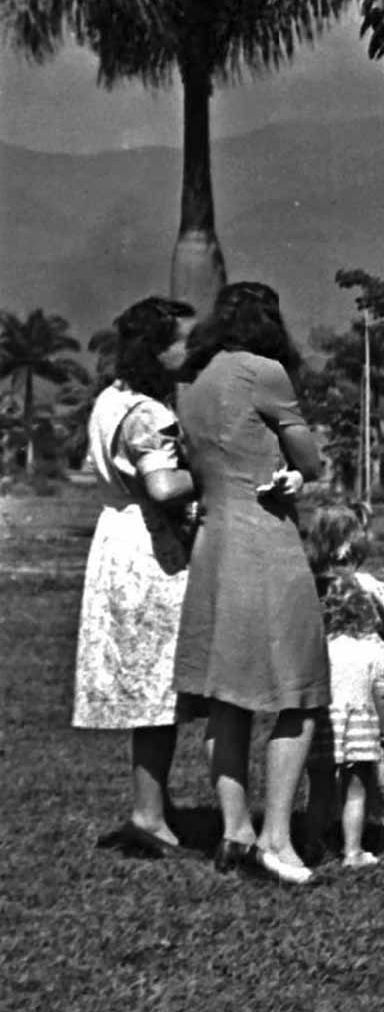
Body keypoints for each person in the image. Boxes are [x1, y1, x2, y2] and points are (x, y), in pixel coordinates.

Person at [173, 281, 327, 886]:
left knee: (226, 696)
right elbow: (309, 460)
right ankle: (277, 839)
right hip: (265, 540)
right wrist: (296, 470)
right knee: (299, 691)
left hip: (213, 545)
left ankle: (235, 828)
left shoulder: (192, 382)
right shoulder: (265, 372)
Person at [71, 295, 200, 856]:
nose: (192, 349)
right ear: (159, 348)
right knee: (155, 686)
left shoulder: (110, 400)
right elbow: (165, 487)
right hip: (150, 546)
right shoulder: (148, 412)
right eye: (184, 341)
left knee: (147, 682)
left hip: (116, 537)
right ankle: (147, 814)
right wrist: (214, 472)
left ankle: (153, 802)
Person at [304, 502, 384, 869]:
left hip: (322, 720)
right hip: (361, 726)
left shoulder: (321, 647)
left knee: (319, 787)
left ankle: (312, 843)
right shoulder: (375, 652)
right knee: (356, 791)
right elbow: (383, 693)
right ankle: (353, 850)